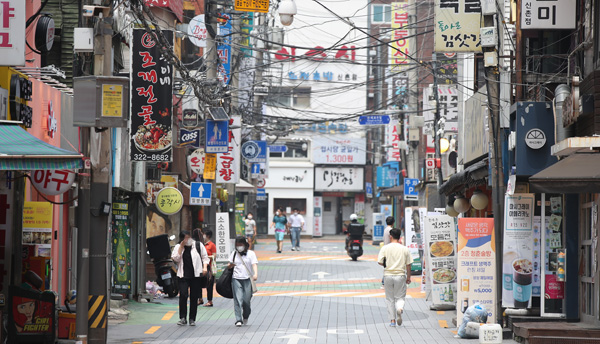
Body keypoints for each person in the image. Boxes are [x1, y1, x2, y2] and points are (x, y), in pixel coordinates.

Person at [171, 230, 209, 326]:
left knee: (194, 297)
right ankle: (183, 318)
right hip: (183, 275)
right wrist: (181, 246)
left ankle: (192, 319)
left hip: (196, 275)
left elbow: (205, 257)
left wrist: (204, 267)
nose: (187, 239)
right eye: (185, 238)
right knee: (183, 295)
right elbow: (175, 258)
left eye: (188, 237)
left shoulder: (197, 245)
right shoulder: (178, 247)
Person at [377, 228, 413, 327]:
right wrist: (408, 277)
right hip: (400, 275)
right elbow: (409, 264)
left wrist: (387, 264)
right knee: (400, 297)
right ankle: (400, 308)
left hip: (388, 275)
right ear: (400, 237)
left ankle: (392, 321)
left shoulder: (385, 248)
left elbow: (380, 261)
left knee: (390, 299)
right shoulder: (404, 249)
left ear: (391, 236)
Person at [227, 236, 258, 327]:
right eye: (237, 245)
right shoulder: (234, 253)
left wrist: (255, 274)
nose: (239, 246)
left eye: (240, 244)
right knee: (238, 299)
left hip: (247, 279)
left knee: (246, 300)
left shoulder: (251, 254)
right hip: (236, 279)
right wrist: (230, 265)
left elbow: (254, 264)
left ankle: (246, 315)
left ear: (245, 245)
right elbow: (229, 265)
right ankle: (238, 319)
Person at [200, 229, 216, 307]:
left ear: (208, 236)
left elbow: (214, 256)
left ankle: (210, 301)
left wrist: (205, 257)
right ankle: (200, 299)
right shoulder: (201, 244)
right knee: (198, 283)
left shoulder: (211, 245)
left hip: (209, 267)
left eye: (204, 234)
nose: (203, 236)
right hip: (201, 266)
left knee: (209, 284)